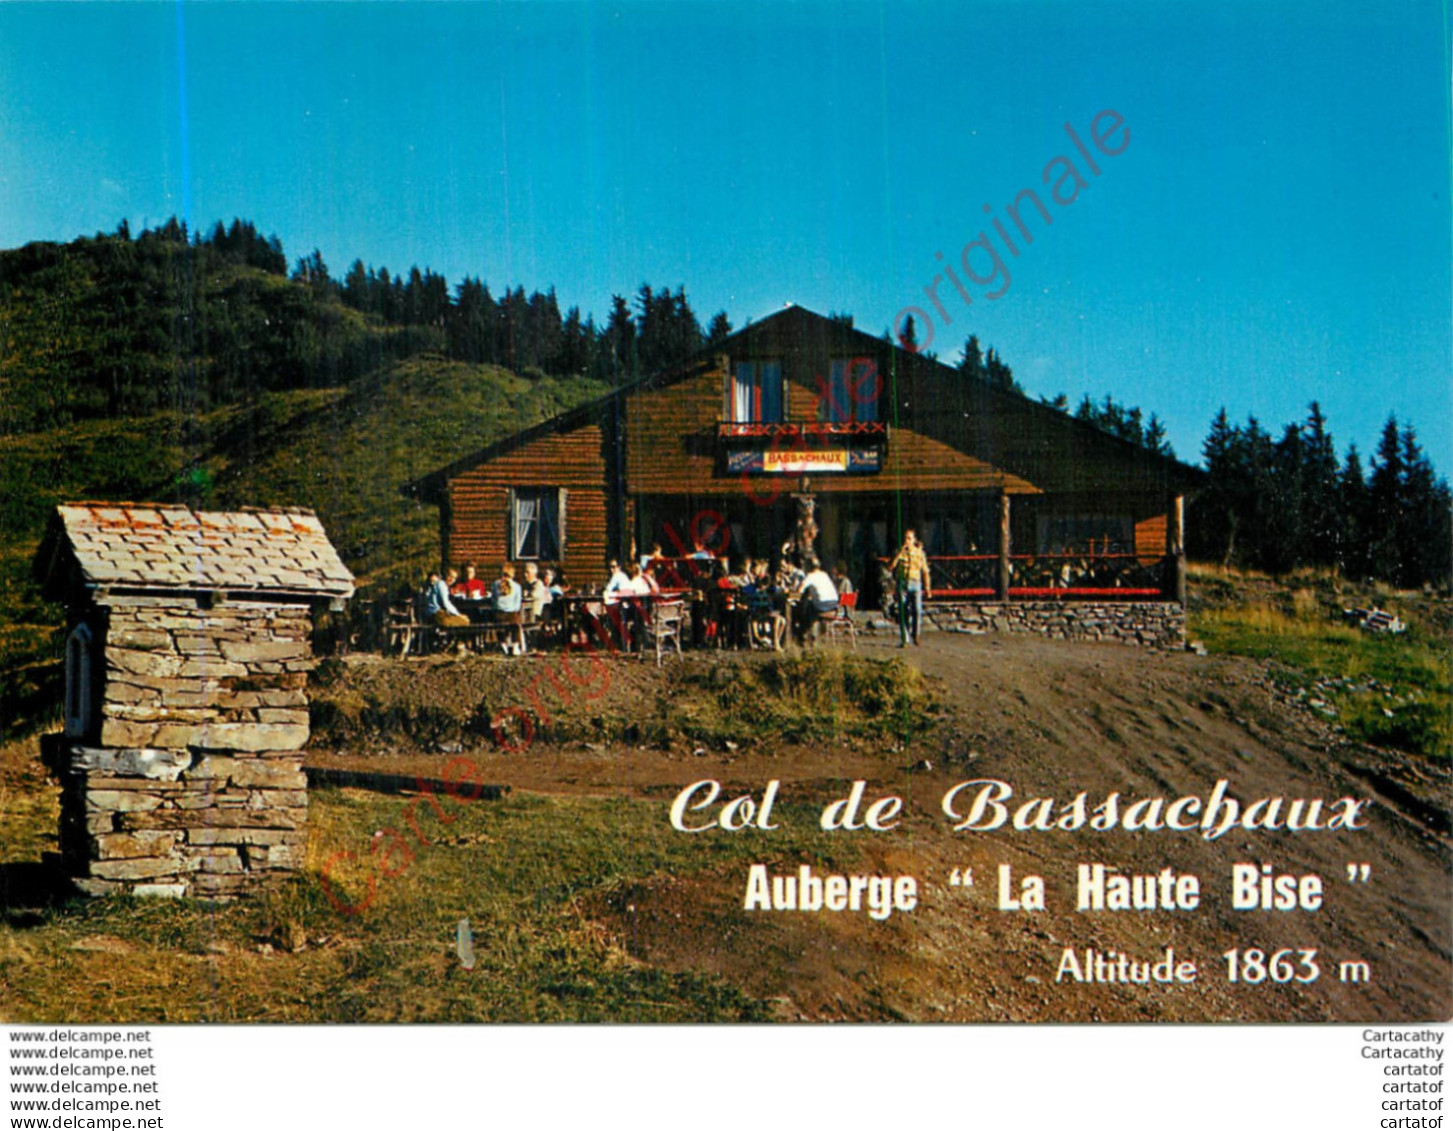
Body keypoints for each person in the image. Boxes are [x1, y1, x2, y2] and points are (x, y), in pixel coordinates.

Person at [889, 529, 931, 646]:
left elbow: (925, 571)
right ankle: (905, 638)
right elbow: (891, 566)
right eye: (905, 538)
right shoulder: (900, 552)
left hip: (915, 582)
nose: (907, 541)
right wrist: (899, 554)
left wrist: (927, 588)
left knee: (917, 610)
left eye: (909, 538)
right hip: (903, 583)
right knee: (903, 610)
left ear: (914, 540)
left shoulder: (919, 553)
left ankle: (916, 634)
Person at [793, 556, 840, 645]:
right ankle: (809, 634)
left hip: (823, 606)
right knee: (811, 608)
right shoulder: (824, 574)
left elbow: (799, 590)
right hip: (834, 605)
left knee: (807, 608)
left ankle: (803, 634)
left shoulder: (810, 576)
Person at [492, 563, 527, 655]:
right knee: (516, 626)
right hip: (511, 613)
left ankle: (503, 644)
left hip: (498, 613)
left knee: (499, 626)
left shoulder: (495, 584)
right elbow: (517, 603)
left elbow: (493, 599)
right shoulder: (517, 586)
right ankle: (515, 646)